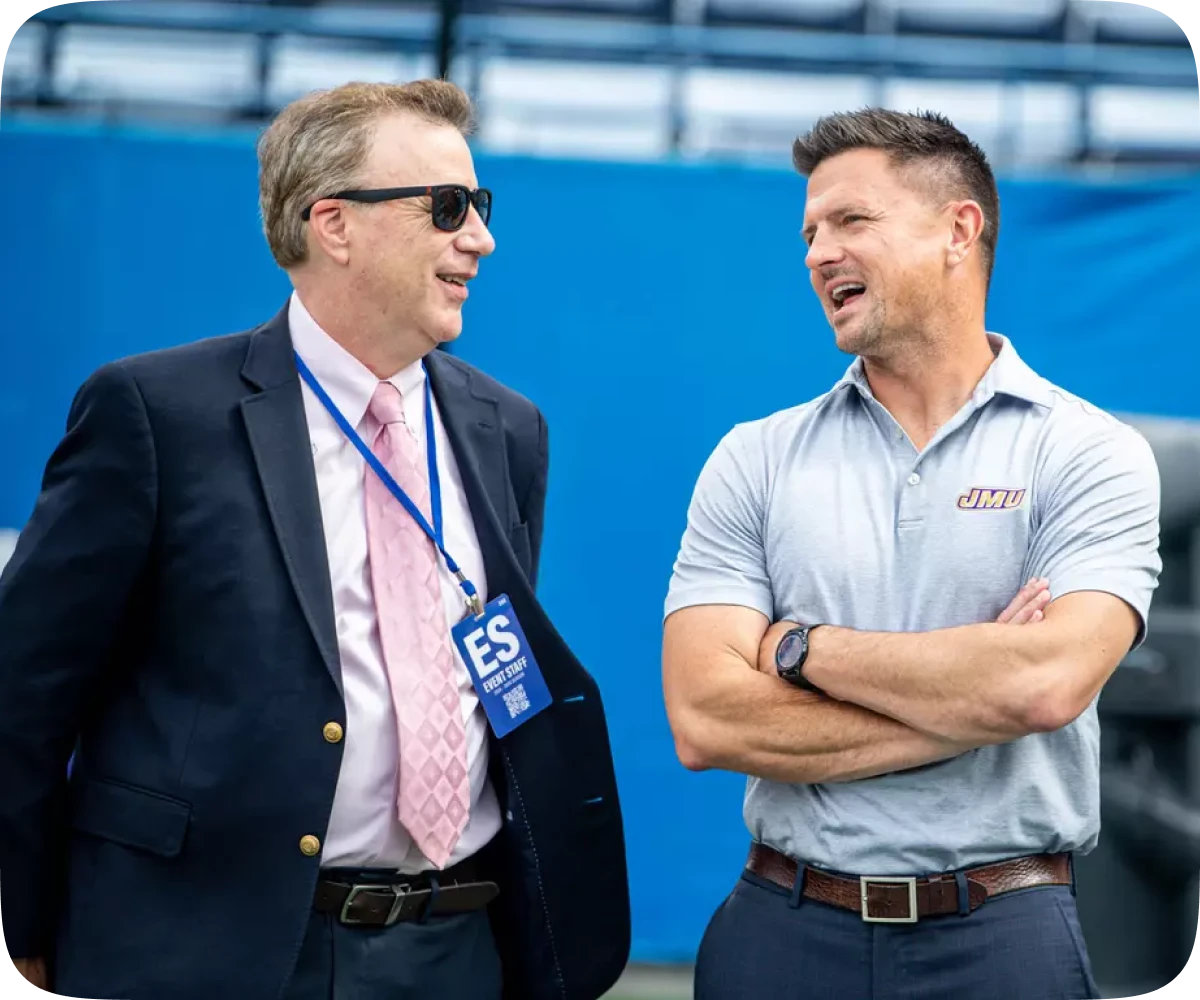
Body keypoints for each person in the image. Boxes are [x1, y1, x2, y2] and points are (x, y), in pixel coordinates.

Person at [0, 79, 629, 1000]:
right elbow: (23, 693)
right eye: (449, 207)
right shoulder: (155, 415)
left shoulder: (509, 429)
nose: (481, 239)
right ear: (332, 224)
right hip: (207, 951)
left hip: (454, 948)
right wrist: (16, 924)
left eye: (480, 207)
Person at [662, 108, 1161, 999]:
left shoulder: (1091, 453)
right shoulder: (755, 457)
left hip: (1005, 940)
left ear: (958, 231)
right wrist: (974, 697)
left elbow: (1042, 686)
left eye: (852, 221)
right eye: (811, 231)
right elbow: (706, 720)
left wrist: (800, 650)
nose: (817, 253)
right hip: (781, 932)